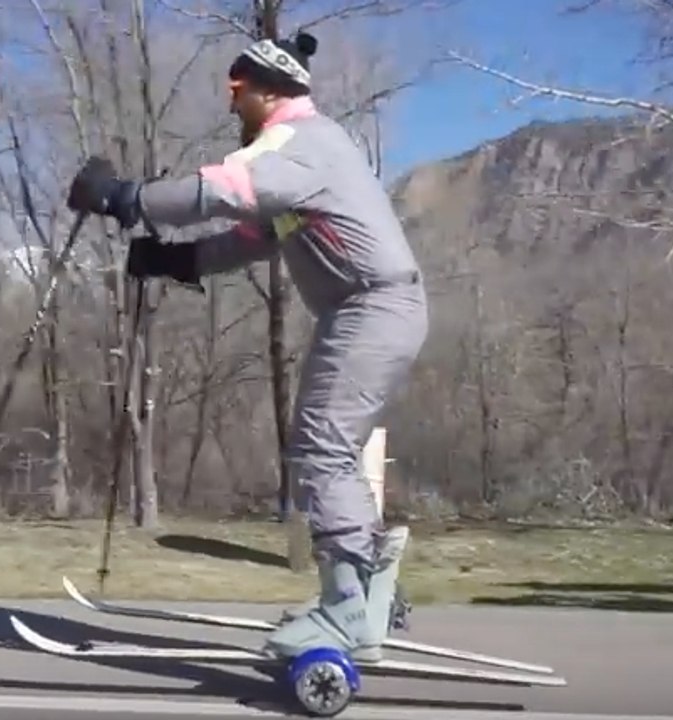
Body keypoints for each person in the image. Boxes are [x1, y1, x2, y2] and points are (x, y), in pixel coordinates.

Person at [65, 31, 427, 663]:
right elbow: (255, 237)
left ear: (268, 88)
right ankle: (366, 592)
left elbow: (226, 190)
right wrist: (176, 259)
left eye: (238, 87)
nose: (231, 100)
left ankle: (351, 611)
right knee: (324, 449)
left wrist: (127, 198)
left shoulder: (301, 142)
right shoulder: (301, 157)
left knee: (320, 448)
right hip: (366, 309)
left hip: (372, 306)